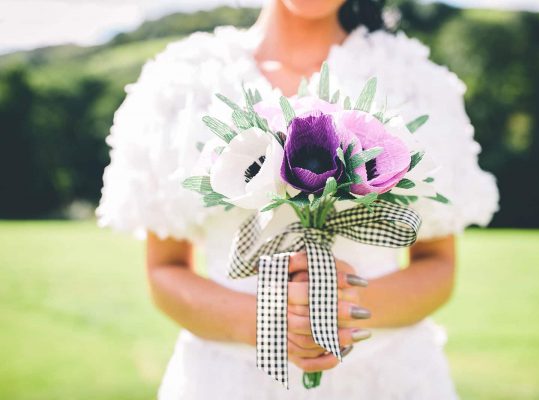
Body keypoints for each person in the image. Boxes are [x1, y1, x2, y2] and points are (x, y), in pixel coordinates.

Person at [97, 0, 499, 398]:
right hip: (227, 379)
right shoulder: (181, 85)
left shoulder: (416, 83)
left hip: (386, 375)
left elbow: (438, 266)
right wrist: (262, 321)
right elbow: (165, 271)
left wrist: (340, 310)